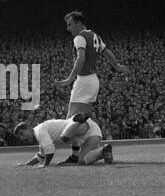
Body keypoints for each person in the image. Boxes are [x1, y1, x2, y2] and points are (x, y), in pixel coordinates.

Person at [54, 10, 126, 163]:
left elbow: (80, 59)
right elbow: (107, 52)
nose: (68, 28)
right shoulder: (94, 35)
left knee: (70, 123)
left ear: (79, 23)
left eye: (70, 24)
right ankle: (87, 151)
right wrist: (117, 66)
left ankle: (78, 151)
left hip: (84, 81)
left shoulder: (79, 37)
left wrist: (69, 79)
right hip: (94, 81)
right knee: (79, 121)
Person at [13, 113, 113, 167]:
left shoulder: (39, 132)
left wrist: (45, 165)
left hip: (89, 131)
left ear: (28, 128)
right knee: (80, 157)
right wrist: (27, 165)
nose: (22, 138)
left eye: (22, 134)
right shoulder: (40, 132)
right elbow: (41, 155)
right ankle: (101, 152)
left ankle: (102, 151)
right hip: (89, 131)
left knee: (81, 160)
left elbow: (50, 150)